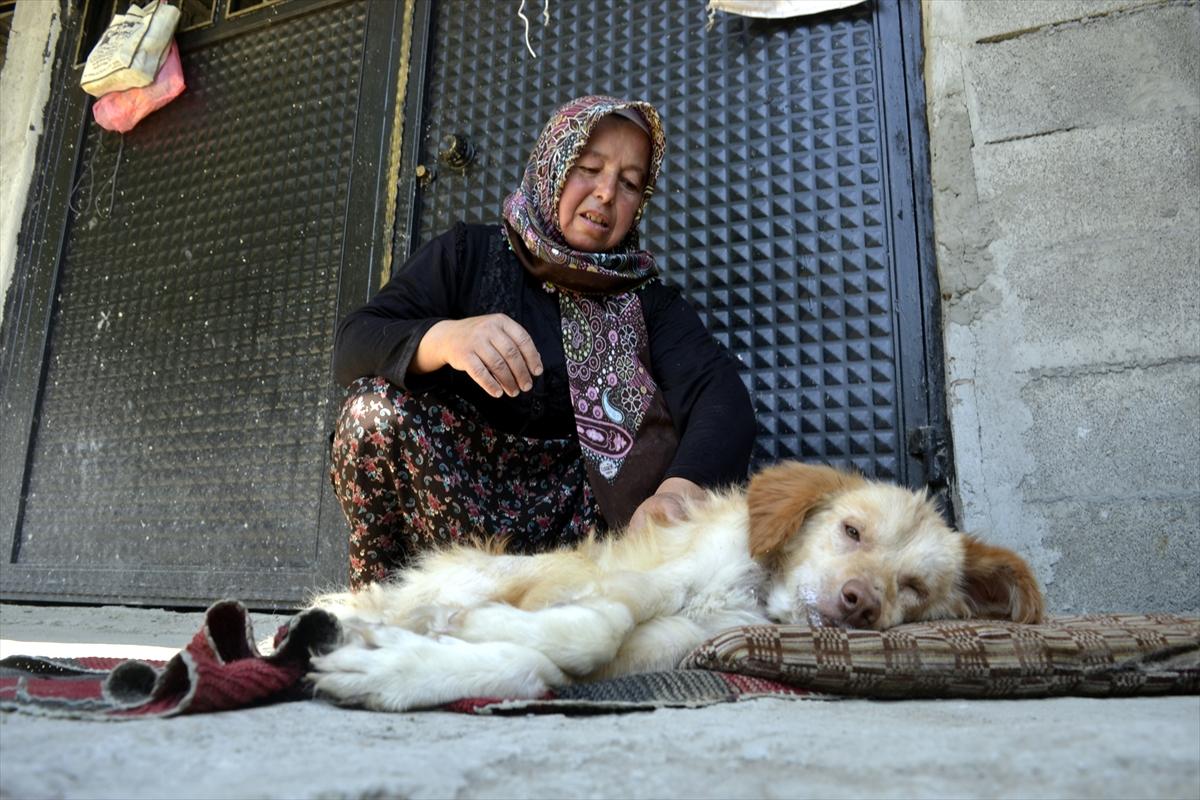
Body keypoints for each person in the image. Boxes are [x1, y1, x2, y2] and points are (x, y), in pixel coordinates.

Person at [329, 95, 756, 590]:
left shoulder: (647, 302)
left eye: (629, 183)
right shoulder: (470, 255)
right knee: (371, 412)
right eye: (588, 168)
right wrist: (444, 337)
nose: (605, 193)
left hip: (579, 545)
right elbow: (354, 343)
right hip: (454, 516)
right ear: (553, 163)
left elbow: (722, 401)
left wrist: (676, 495)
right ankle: (381, 608)